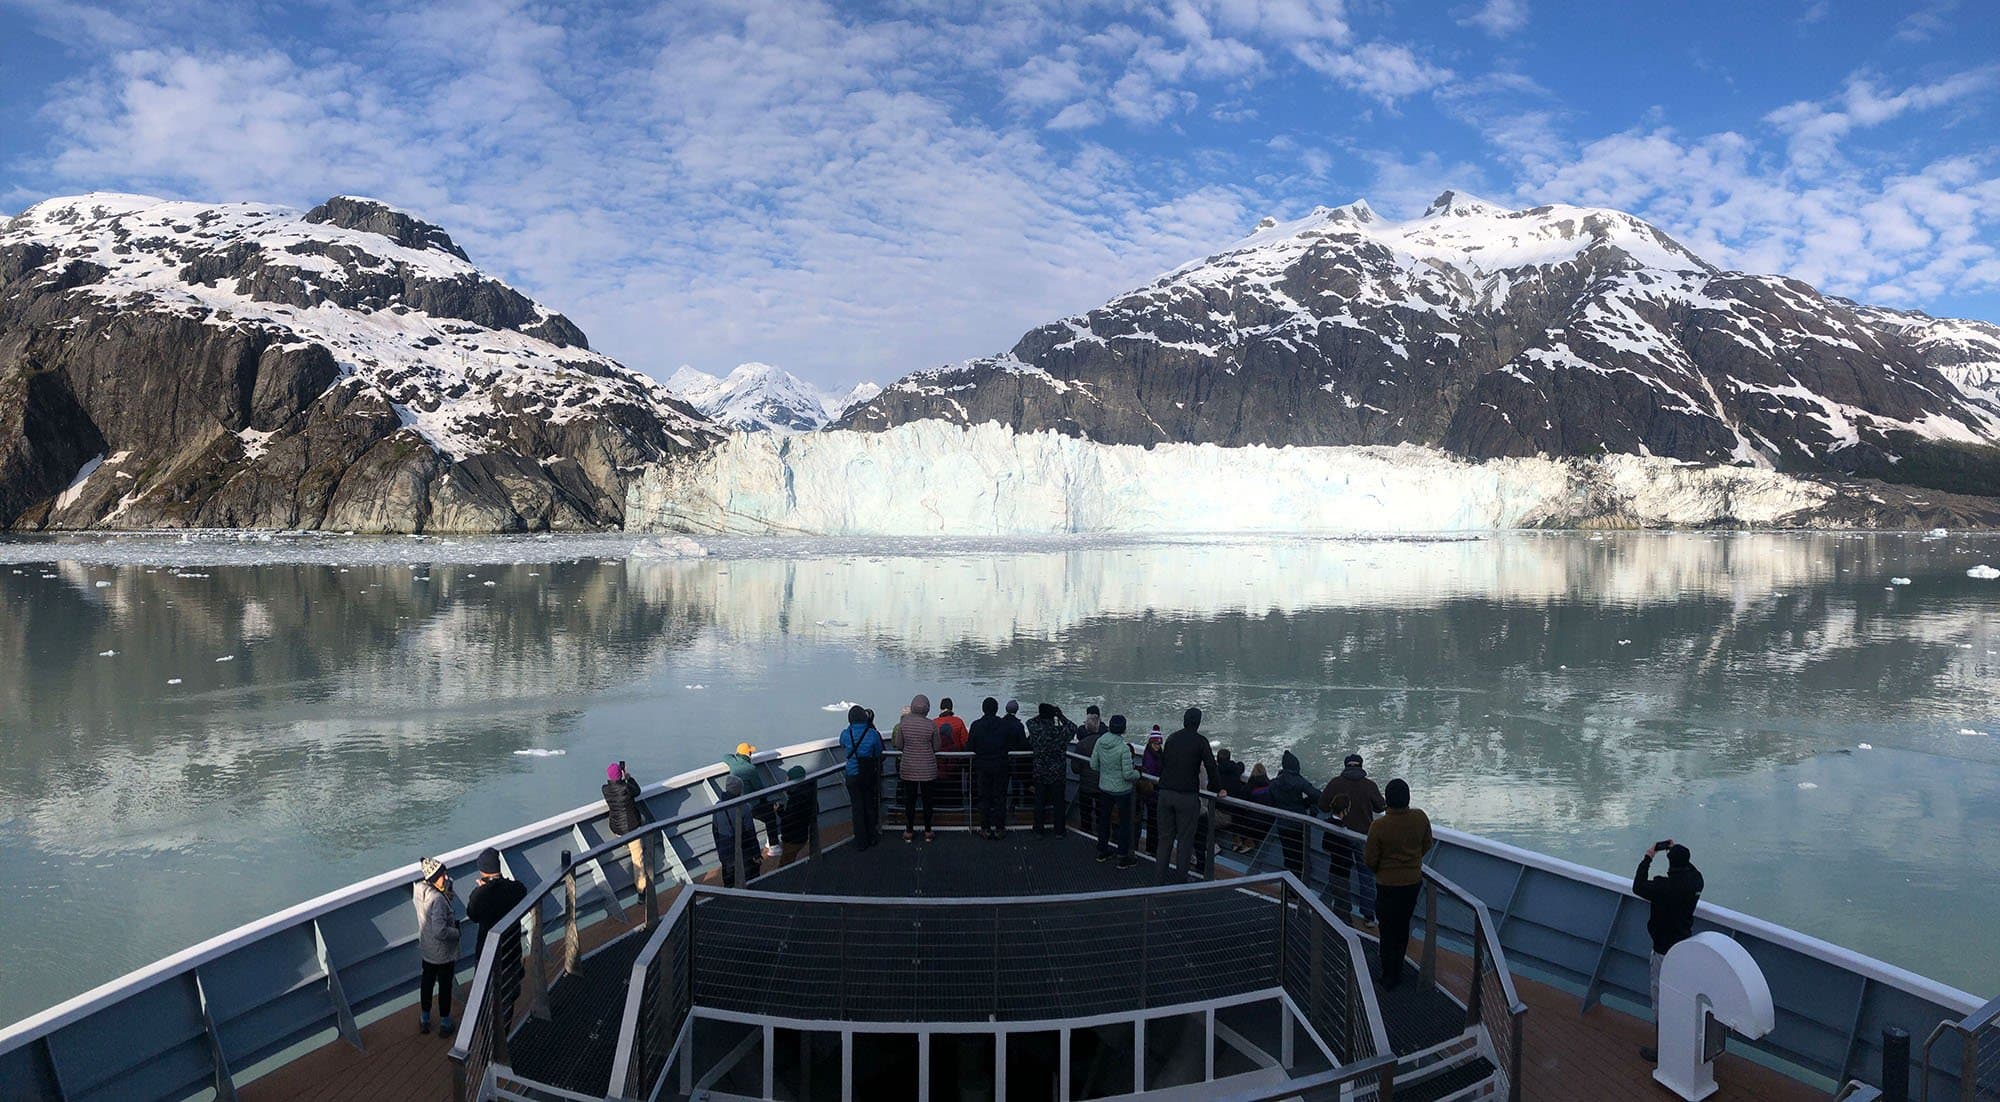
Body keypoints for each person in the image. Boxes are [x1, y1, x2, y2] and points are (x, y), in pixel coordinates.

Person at [1634, 840, 1705, 1063]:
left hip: (1664, 951)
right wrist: (1678, 849)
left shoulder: (1662, 887)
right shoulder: (1696, 882)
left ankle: (1662, 1050)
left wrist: (1648, 856)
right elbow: (1692, 870)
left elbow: (1638, 886)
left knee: (1661, 1002)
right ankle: (1683, 1044)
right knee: (1682, 998)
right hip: (1684, 949)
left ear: (1670, 863)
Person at [1364, 779, 1433, 990]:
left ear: (1388, 800)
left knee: (1387, 929)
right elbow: (1427, 843)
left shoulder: (1379, 826)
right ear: (1408, 798)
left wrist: (1383, 870)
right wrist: (1411, 863)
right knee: (1402, 927)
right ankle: (1399, 970)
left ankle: (1388, 975)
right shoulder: (1419, 818)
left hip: (1387, 884)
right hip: (1412, 882)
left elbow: (1370, 859)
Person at [463, 847, 527, 1039]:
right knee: (507, 1000)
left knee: (483, 998)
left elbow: (472, 915)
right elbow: (521, 891)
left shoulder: (480, 895)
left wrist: (481, 889)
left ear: (482, 871)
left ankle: (487, 1042)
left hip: (487, 954)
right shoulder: (515, 890)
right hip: (511, 953)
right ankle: (502, 1040)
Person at [1320, 753, 1386, 927]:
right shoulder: (1369, 785)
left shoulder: (1335, 783)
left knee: (1341, 873)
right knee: (1366, 875)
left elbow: (1322, 805)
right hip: (1363, 837)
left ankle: (1342, 912)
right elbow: (1381, 806)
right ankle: (1369, 916)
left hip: (1339, 835)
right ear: (1361, 766)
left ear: (1345, 765)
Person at [1155, 707, 1217, 884]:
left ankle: (1158, 880)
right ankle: (1181, 879)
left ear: (1183, 720)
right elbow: (1211, 766)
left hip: (1165, 793)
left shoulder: (1172, 738)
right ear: (1198, 723)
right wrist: (1217, 788)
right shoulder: (1201, 741)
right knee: (1185, 840)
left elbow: (1164, 763)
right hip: (1186, 797)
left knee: (1165, 839)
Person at [415, 857, 461, 1036]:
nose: (446, 877)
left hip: (427, 950)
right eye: (443, 874)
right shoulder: (438, 900)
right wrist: (456, 933)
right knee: (444, 986)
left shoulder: (419, 890)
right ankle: (445, 1022)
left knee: (426, 982)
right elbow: (440, 931)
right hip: (442, 953)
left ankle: (424, 1018)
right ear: (435, 877)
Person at [1090, 714, 1140, 868]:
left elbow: (1093, 765)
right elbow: (1127, 774)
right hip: (1122, 791)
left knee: (1104, 820)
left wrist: (1105, 773)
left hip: (1105, 788)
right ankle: (1123, 856)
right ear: (1123, 729)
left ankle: (1102, 851)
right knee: (1125, 823)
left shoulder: (1100, 741)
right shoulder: (1123, 748)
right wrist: (1138, 774)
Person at [1025, 703, 1079, 835]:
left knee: (1039, 804)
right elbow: (1073, 727)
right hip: (1057, 774)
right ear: (1053, 716)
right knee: (1059, 804)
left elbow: (1029, 721)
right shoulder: (1060, 732)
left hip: (1040, 772)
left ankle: (1038, 830)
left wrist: (1042, 714)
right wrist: (1060, 715)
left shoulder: (1036, 730)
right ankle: (1059, 831)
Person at [1268, 750, 1321, 878]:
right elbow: (1317, 795)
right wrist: (1305, 803)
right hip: (1298, 822)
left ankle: (1290, 881)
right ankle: (1300, 882)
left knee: (1288, 853)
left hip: (1282, 824)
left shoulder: (1275, 783)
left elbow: (1271, 800)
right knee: (1300, 852)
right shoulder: (1299, 781)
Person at [838, 705, 885, 850]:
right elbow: (878, 752)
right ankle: (872, 837)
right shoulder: (872, 734)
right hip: (868, 774)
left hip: (852, 774)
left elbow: (842, 744)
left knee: (857, 808)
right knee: (869, 805)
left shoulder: (846, 734)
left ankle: (860, 841)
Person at [895, 694, 940, 842]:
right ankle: (928, 831)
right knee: (928, 801)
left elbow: (899, 744)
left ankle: (909, 830)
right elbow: (937, 746)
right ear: (927, 708)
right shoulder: (932, 725)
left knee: (910, 801)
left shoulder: (904, 724)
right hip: (928, 768)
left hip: (908, 767)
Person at [602, 761, 652, 895]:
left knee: (628, 842)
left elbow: (617, 790)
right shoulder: (626, 788)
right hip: (631, 828)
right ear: (621, 774)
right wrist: (629, 778)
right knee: (638, 859)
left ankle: (627, 845)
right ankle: (642, 892)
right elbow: (637, 791)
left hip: (616, 828)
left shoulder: (605, 790)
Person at [969, 697, 1014, 838]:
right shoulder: (1005, 725)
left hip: (982, 766)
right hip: (1000, 765)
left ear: (983, 709)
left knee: (984, 797)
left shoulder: (976, 725)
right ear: (996, 709)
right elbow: (1010, 744)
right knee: (1000, 797)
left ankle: (985, 828)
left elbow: (970, 746)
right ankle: (1000, 828)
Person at [723, 743, 778, 853]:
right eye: (750, 752)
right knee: (770, 815)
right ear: (748, 754)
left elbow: (725, 756)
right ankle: (773, 846)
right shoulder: (750, 769)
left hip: (737, 805)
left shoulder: (733, 762)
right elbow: (759, 789)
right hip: (750, 806)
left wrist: (735, 757)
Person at [715, 776, 763, 886]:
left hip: (726, 850)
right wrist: (756, 854)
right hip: (743, 850)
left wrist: (721, 852)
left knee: (729, 881)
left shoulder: (718, 806)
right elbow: (750, 832)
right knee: (750, 879)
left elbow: (715, 830)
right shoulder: (745, 807)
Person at [1073, 706, 1105, 833]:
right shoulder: (1105, 742)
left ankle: (1086, 831)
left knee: (1085, 809)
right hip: (1102, 783)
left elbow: (1075, 768)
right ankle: (1101, 832)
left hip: (1086, 784)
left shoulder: (1082, 744)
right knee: (1101, 811)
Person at [778, 765, 817, 865]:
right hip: (802, 834)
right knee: (789, 859)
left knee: (785, 863)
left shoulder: (796, 798)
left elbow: (788, 819)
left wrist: (779, 810)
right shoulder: (810, 793)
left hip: (792, 838)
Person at [935, 697, 970, 804]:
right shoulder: (958, 722)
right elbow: (965, 743)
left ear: (941, 708)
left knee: (938, 795)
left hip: (937, 766)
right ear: (951, 708)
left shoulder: (934, 723)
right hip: (955, 766)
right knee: (955, 795)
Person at [1139, 729, 1164, 856]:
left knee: (1154, 823)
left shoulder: (1152, 755)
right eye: (1155, 743)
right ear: (1150, 743)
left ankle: (1152, 848)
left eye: (1159, 743)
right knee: (1153, 823)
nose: (1157, 746)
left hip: (1155, 794)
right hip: (1153, 795)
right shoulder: (1151, 758)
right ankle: (1152, 849)